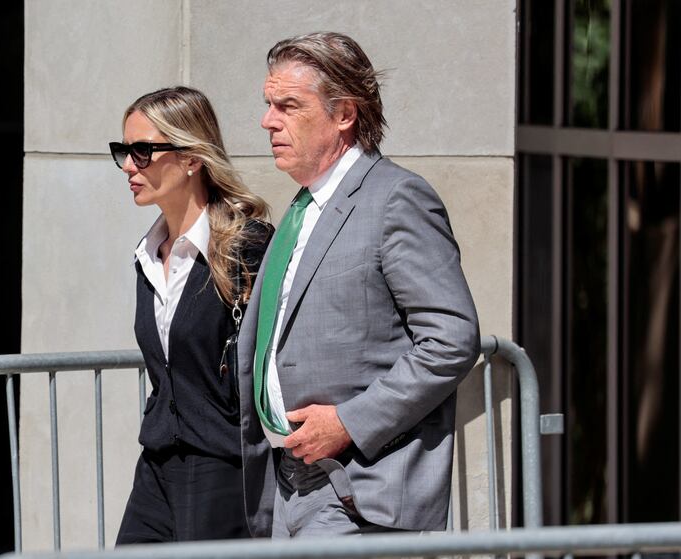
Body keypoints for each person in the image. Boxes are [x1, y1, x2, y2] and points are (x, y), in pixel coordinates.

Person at [237, 32, 480, 538]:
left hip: (357, 490)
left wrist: (350, 421)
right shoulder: (301, 210)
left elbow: (452, 338)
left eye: (288, 105)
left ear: (344, 114)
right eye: (268, 105)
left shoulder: (397, 199)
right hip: (287, 489)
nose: (268, 121)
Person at [110, 86, 272, 543]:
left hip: (223, 466)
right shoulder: (147, 253)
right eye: (124, 151)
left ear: (191, 158)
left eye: (142, 151)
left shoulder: (247, 247)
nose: (128, 166)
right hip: (158, 463)